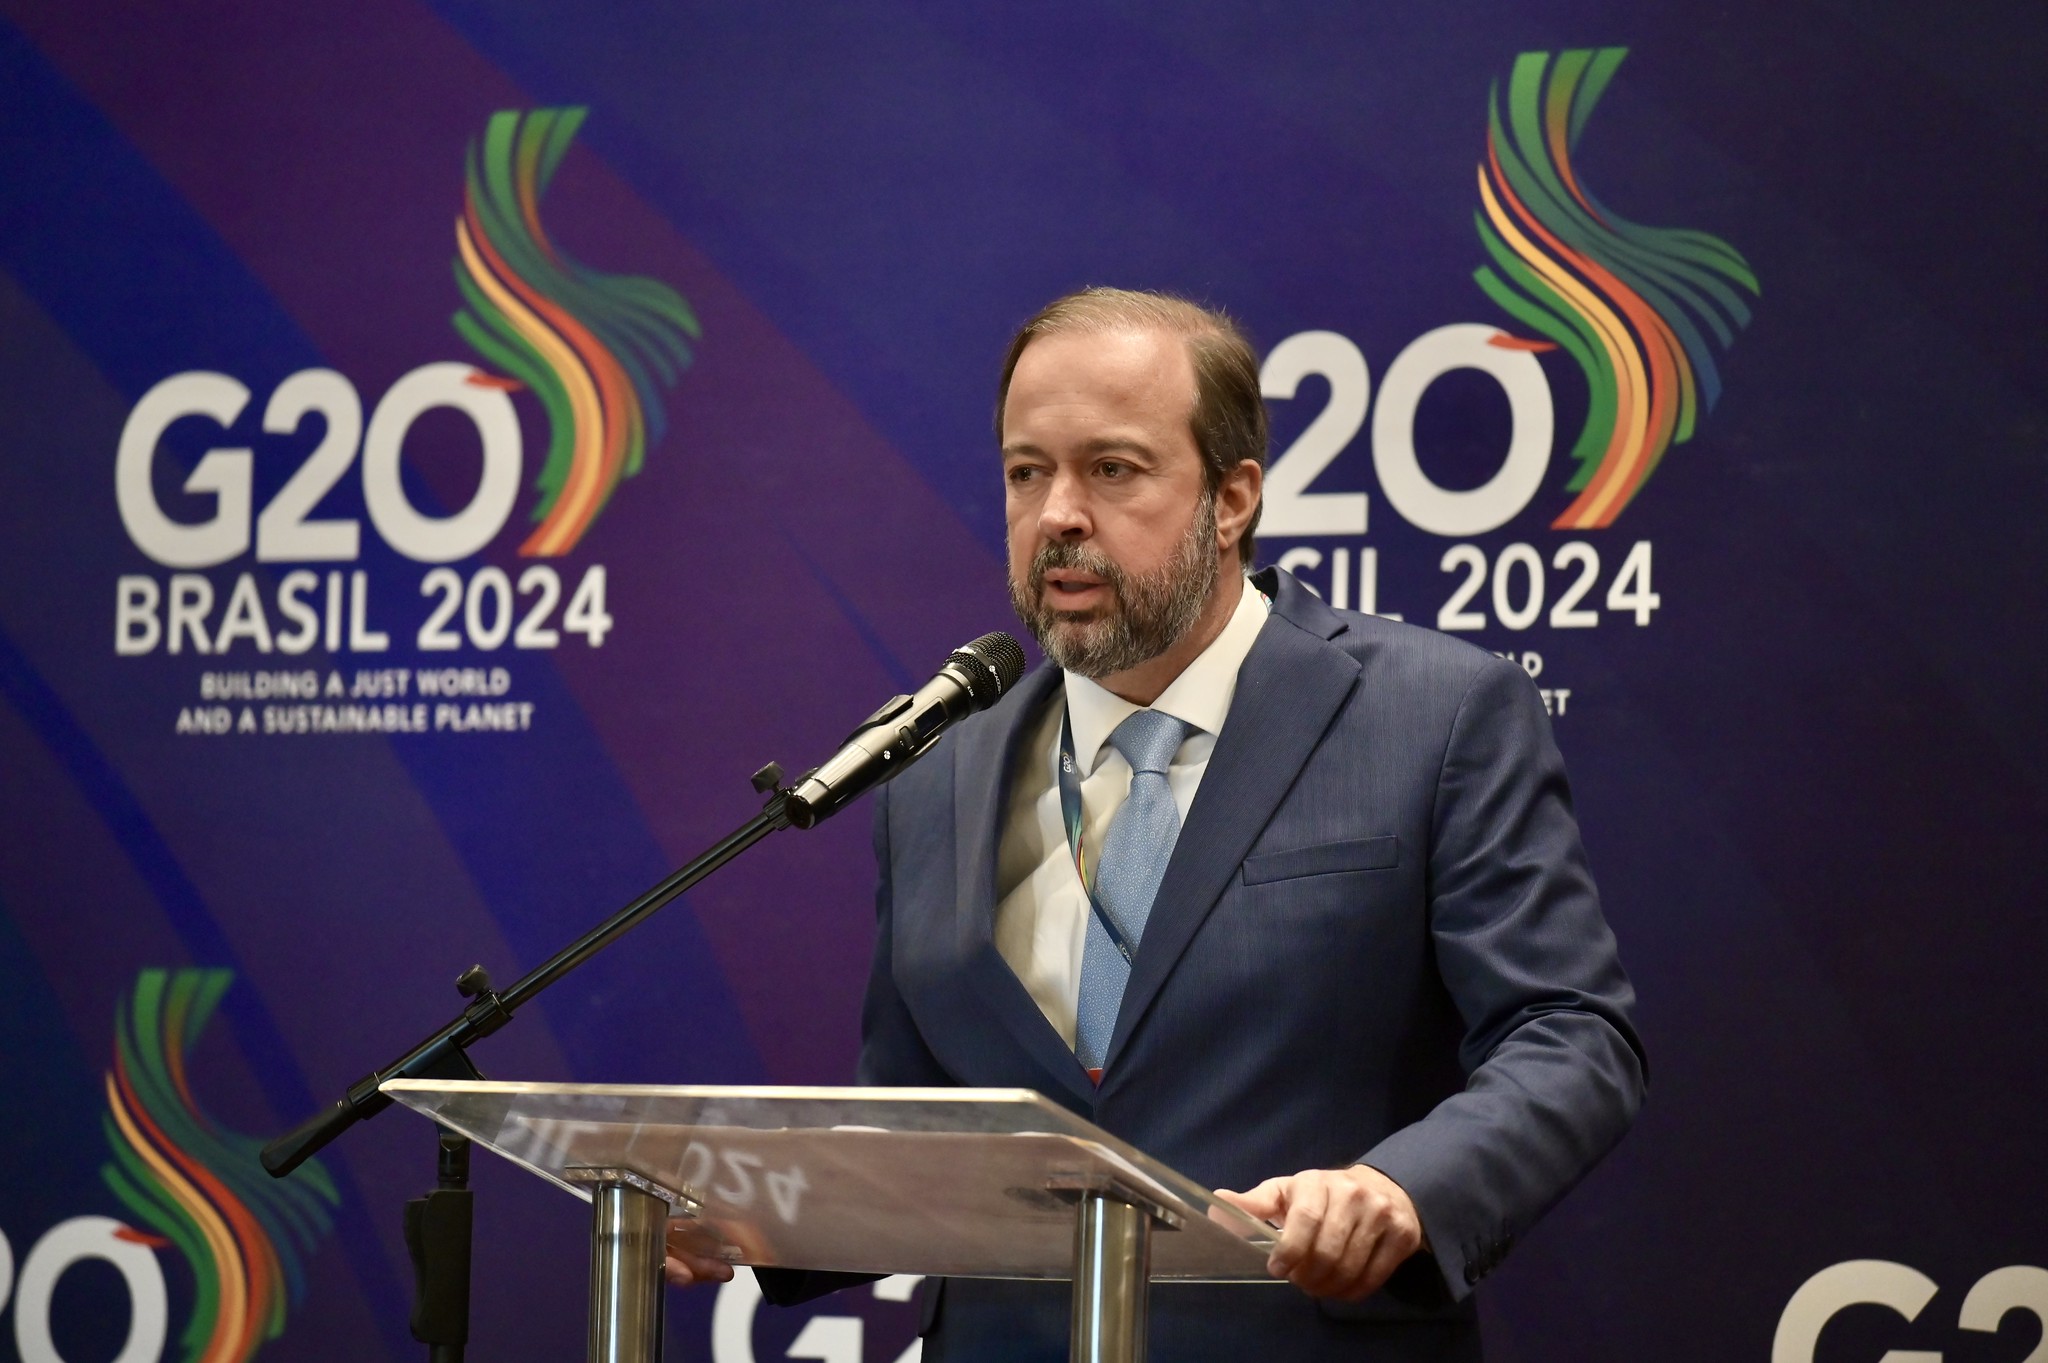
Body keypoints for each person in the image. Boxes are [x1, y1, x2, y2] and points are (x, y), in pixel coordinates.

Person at [671, 288, 1646, 1361]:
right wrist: (754, 1213)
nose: (1057, 517)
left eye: (1112, 469)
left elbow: (1568, 1036)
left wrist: (1399, 1188)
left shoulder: (1433, 715)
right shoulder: (933, 768)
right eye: (1025, 471)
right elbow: (920, 1130)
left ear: (1231, 500)